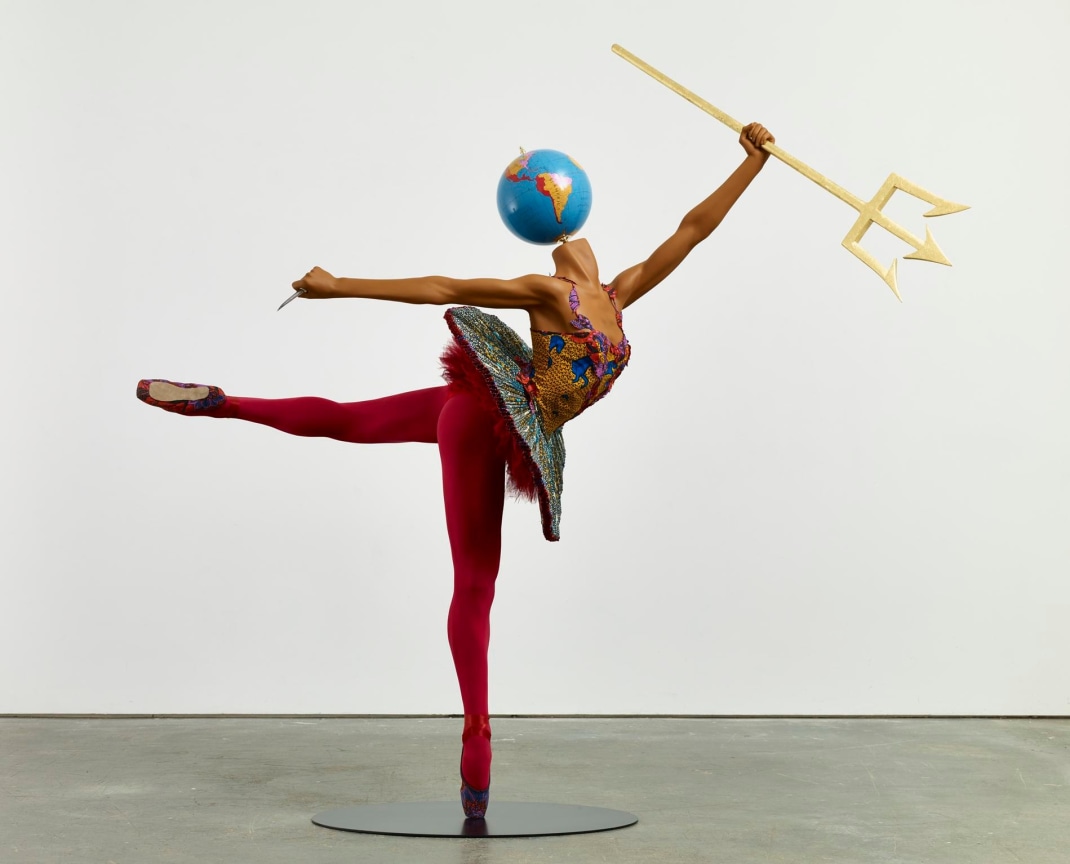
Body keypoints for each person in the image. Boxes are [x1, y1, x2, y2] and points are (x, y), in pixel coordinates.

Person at [137, 122, 775, 819]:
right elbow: (444, 285)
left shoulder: (613, 289)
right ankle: (477, 730)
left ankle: (225, 404)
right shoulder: (582, 298)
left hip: (480, 412)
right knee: (474, 583)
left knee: (350, 422)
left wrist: (752, 164)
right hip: (488, 419)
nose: (577, 243)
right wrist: (337, 286)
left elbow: (694, 226)